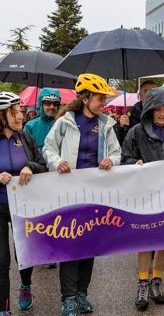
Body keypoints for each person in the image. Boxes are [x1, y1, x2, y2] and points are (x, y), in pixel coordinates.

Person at [43, 73, 121, 316]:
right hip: (69, 193)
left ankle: (81, 294)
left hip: (95, 193)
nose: (103, 103)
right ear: (85, 98)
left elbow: (117, 152)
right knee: (70, 246)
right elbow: (48, 148)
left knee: (89, 245)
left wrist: (111, 159)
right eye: (99, 98)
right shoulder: (66, 122)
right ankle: (67, 298)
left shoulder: (106, 124)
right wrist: (57, 162)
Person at [121, 86, 164, 312]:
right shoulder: (136, 132)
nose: (162, 113)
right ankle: (142, 283)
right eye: (158, 109)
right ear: (150, 110)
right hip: (144, 194)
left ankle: (157, 281)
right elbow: (125, 157)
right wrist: (133, 163)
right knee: (146, 240)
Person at [0, 92, 46, 316]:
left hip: (22, 205)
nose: (20, 116)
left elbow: (42, 163)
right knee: (1, 259)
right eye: (14, 112)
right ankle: (3, 307)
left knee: (24, 253)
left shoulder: (25, 137)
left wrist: (29, 166)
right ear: (1, 116)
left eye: (20, 111)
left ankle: (25, 286)